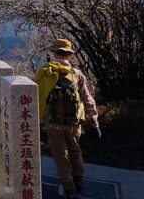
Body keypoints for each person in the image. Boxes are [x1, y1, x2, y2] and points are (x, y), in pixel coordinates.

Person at [35, 38, 100, 199]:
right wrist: (94, 119)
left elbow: (34, 93)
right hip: (74, 123)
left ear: (55, 53)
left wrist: (39, 117)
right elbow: (87, 97)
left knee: (61, 156)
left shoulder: (45, 71)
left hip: (53, 123)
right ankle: (79, 182)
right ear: (70, 54)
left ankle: (69, 189)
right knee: (75, 151)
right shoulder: (77, 74)